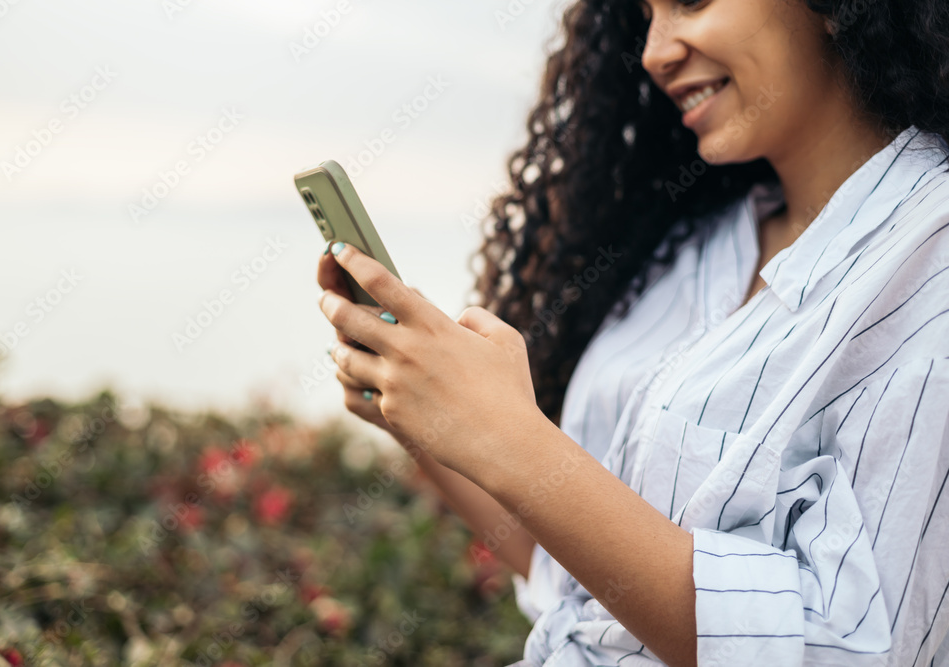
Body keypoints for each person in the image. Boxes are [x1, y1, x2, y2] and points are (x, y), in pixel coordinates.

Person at [316, 0, 949, 664]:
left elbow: (852, 649)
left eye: (689, 1)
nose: (653, 51)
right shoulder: (690, 248)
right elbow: (577, 584)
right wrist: (435, 424)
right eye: (646, 13)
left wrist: (513, 439)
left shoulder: (927, 260)